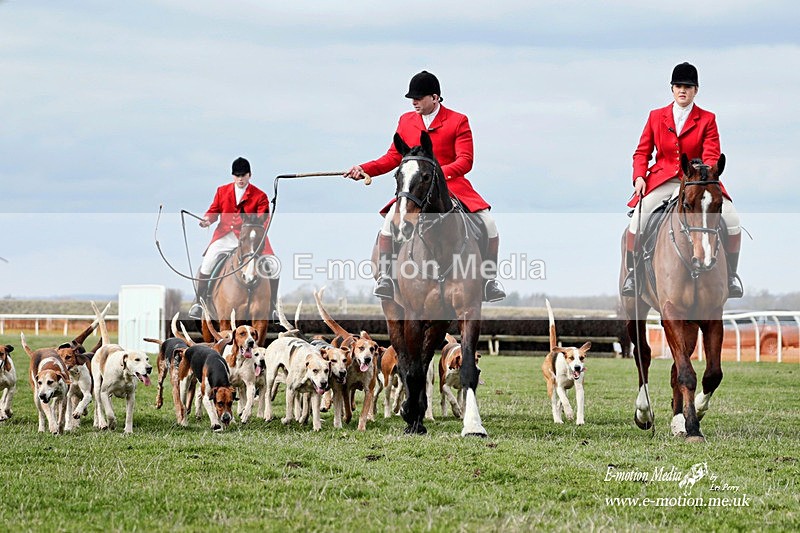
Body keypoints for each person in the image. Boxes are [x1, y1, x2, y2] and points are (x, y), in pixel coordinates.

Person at [344, 70, 506, 302]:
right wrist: (364, 169)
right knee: (391, 222)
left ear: (435, 97)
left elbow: (465, 160)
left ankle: (489, 281)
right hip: (416, 190)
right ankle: (387, 278)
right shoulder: (406, 121)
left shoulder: (458, 120)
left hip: (450, 186)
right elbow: (393, 157)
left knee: (489, 223)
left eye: (419, 97)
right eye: (412, 98)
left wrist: (438, 174)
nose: (414, 102)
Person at [621, 62, 743, 298]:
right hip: (664, 180)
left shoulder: (707, 119)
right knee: (638, 220)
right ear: (672, 89)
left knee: (732, 219)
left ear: (695, 90)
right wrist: (639, 176)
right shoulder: (656, 116)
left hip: (697, 182)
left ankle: (730, 276)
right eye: (678, 86)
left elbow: (711, 153)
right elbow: (642, 152)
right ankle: (633, 275)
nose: (682, 90)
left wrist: (703, 173)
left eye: (687, 86)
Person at [187, 157, 279, 320]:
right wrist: (207, 219)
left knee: (272, 265)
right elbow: (214, 210)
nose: (240, 179)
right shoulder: (222, 191)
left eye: (243, 175)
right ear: (233, 176)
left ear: (250, 175)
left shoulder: (260, 195)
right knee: (207, 263)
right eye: (237, 176)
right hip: (225, 236)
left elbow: (263, 218)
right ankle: (199, 303)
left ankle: (272, 306)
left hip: (249, 239)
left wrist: (253, 225)